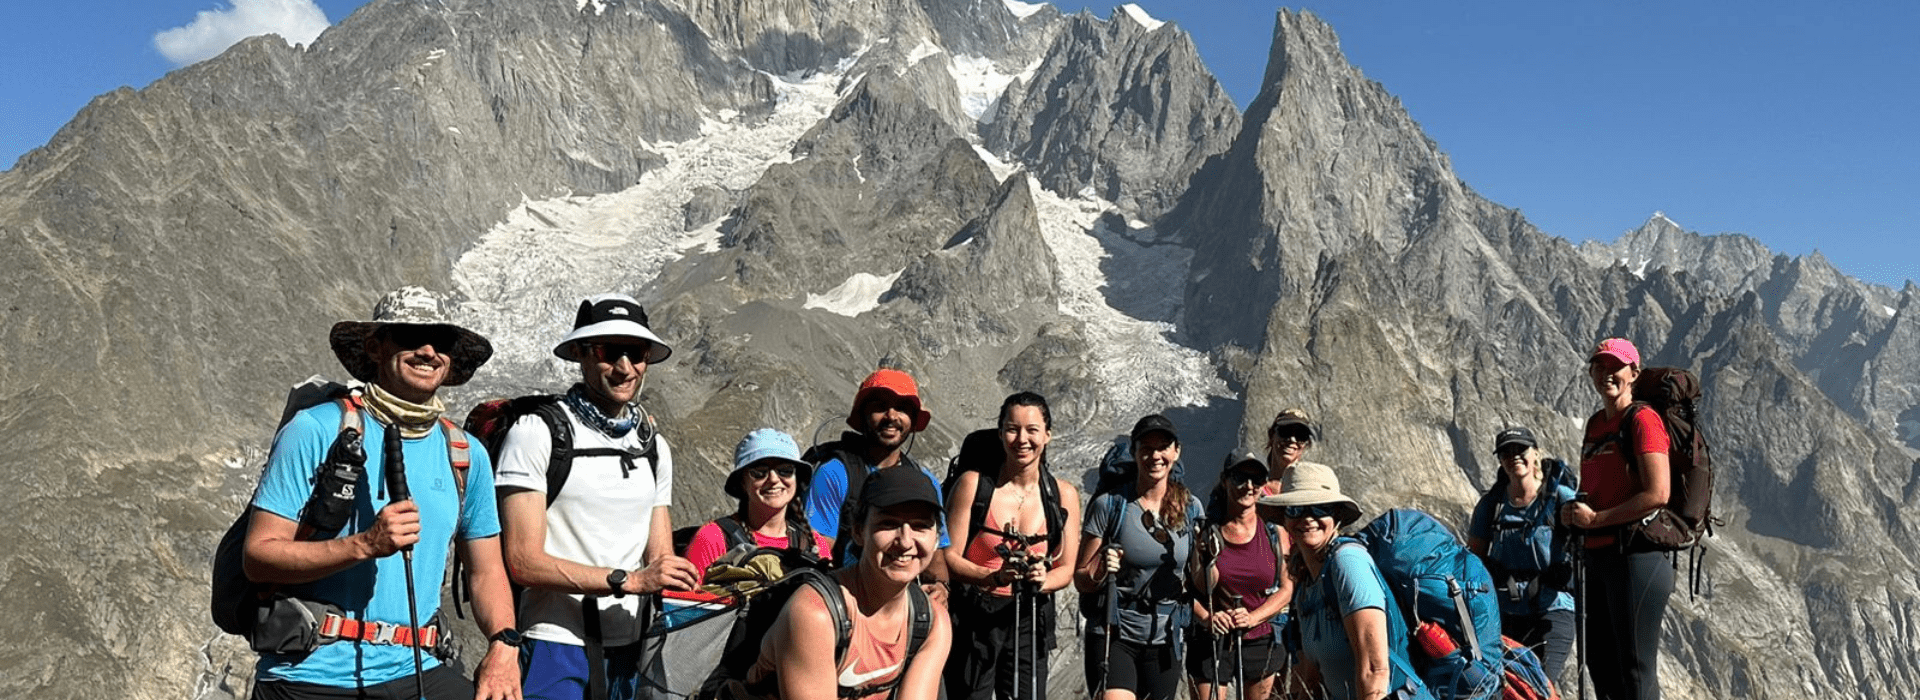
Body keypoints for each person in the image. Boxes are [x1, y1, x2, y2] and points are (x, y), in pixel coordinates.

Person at [243, 286, 520, 700]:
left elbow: (486, 571)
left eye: (441, 341)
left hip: (418, 670)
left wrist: (504, 645)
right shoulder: (316, 429)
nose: (428, 350)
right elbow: (258, 557)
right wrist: (365, 544)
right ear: (375, 348)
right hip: (311, 675)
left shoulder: (466, 454)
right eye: (409, 336)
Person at [495, 293, 700, 700]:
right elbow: (522, 561)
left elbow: (658, 555)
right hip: (555, 642)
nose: (624, 367)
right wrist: (629, 581)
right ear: (581, 354)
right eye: (610, 351)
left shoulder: (653, 446)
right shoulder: (537, 432)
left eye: (636, 352)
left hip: (630, 646)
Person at [746, 465, 954, 700]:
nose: (905, 541)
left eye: (920, 526)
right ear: (858, 531)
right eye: (888, 524)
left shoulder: (932, 621)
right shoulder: (816, 612)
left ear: (937, 539)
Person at [942, 392, 1084, 700]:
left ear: (1047, 434)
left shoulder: (1063, 496)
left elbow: (1066, 568)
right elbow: (948, 558)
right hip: (975, 617)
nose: (1022, 439)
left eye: (1032, 430)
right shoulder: (972, 485)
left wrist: (1043, 580)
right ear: (1000, 433)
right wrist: (991, 577)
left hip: (1031, 619)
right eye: (1012, 428)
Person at [1560, 338, 1674, 700]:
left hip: (1635, 557)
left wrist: (1595, 520)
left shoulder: (1643, 420)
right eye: (1599, 366)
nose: (1606, 373)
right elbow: (1595, 488)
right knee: (1600, 665)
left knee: (1634, 672)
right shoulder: (1595, 424)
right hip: (1597, 557)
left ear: (1634, 373)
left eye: (1615, 366)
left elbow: (1658, 493)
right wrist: (1573, 513)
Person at [1262, 462, 1431, 700]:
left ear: (1336, 515)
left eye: (1320, 508)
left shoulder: (1348, 563)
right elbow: (1312, 678)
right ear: (1285, 517)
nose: (1308, 518)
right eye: (1296, 509)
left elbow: (1375, 670)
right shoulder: (1306, 583)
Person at [1076, 414, 1204, 700]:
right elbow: (1082, 579)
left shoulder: (1192, 509)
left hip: (1165, 634)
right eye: (1146, 448)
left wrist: (1208, 559)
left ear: (1176, 452)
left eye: (1162, 447)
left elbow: (1203, 584)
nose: (1155, 455)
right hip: (1114, 630)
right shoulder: (1108, 506)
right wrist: (1100, 567)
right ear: (1134, 452)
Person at [805, 367, 950, 605]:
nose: (891, 416)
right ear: (863, 416)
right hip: (845, 601)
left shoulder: (926, 483)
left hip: (901, 606)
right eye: (880, 407)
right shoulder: (835, 473)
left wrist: (940, 586)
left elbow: (935, 551)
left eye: (902, 409)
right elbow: (820, 546)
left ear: (913, 421)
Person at [1466, 427, 1577, 680]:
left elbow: (1586, 534)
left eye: (1521, 450)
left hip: (1553, 608)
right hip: (1507, 611)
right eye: (1506, 452)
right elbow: (1474, 559)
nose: (1514, 456)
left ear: (1536, 454)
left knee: (1541, 683)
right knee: (1508, 686)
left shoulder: (1559, 498)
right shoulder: (1491, 505)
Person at [1187, 452, 1292, 700]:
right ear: (1225, 481)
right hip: (1212, 639)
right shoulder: (1204, 532)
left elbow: (1287, 588)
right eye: (1240, 478)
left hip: (1261, 637)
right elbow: (1190, 589)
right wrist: (1207, 617)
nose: (1249, 486)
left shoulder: (1274, 532)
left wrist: (1253, 617)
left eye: (1256, 479)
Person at [684, 429, 832, 581]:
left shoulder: (815, 544)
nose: (773, 479)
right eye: (760, 471)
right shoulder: (713, 538)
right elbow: (684, 601)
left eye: (785, 470)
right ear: (743, 482)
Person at [1261, 409, 1320, 497]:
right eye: (1285, 432)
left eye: (1301, 435)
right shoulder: (1253, 488)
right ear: (1271, 435)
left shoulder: (1309, 488)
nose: (1292, 440)